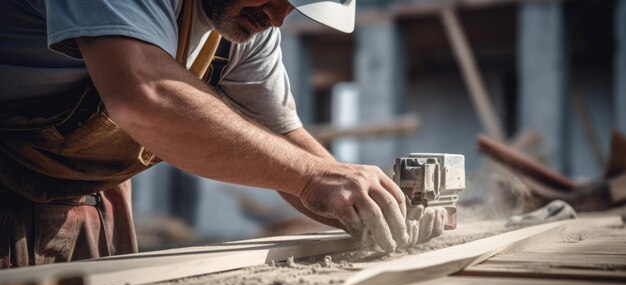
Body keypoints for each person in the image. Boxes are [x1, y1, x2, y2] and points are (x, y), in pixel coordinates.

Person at [0, 0, 444, 268]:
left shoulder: (246, 22)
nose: (278, 16)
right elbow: (144, 94)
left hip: (90, 203)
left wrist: (372, 208)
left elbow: (282, 141)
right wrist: (312, 176)